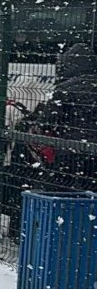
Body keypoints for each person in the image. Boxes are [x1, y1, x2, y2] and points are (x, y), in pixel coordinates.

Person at [37, 42, 97, 190]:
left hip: (70, 150)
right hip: (94, 151)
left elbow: (46, 122)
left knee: (67, 189)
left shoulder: (64, 89)